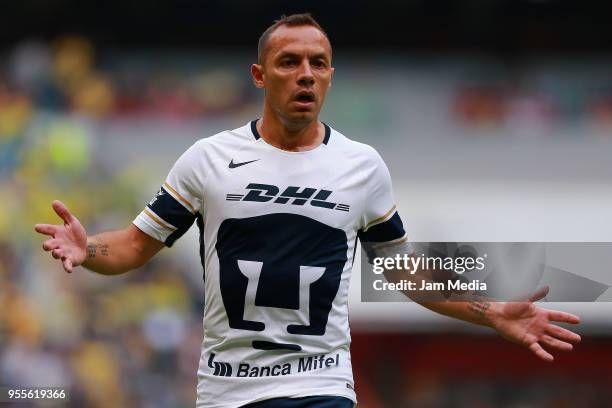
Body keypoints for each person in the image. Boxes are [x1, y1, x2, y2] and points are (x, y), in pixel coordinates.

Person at [35, 13, 581, 408]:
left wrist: (490, 312)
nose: (305, 74)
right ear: (259, 75)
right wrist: (89, 250)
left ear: (330, 76)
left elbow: (402, 269)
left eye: (318, 63)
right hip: (227, 391)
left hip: (320, 388)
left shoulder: (361, 166)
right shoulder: (209, 159)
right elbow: (133, 245)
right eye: (289, 61)